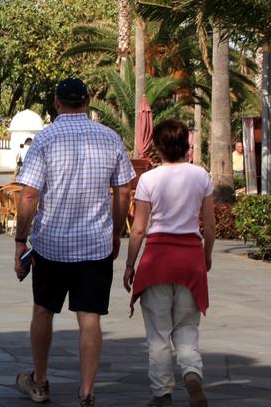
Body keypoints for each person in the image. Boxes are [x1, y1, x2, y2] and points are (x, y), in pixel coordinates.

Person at [14, 77, 135, 407]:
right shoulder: (110, 138)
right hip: (95, 245)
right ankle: (86, 390)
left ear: (56, 102)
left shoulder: (44, 140)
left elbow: (29, 194)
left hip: (51, 245)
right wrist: (115, 232)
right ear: (88, 100)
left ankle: (39, 382)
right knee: (90, 317)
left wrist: (20, 241)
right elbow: (123, 190)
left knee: (43, 311)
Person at [124, 120, 215, 407]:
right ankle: (191, 372)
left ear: (158, 147)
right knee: (187, 327)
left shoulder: (149, 180)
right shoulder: (201, 176)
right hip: (190, 258)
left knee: (159, 333)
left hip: (157, 260)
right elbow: (210, 226)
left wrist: (129, 264)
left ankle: (162, 394)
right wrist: (207, 254)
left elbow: (138, 229)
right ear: (186, 145)